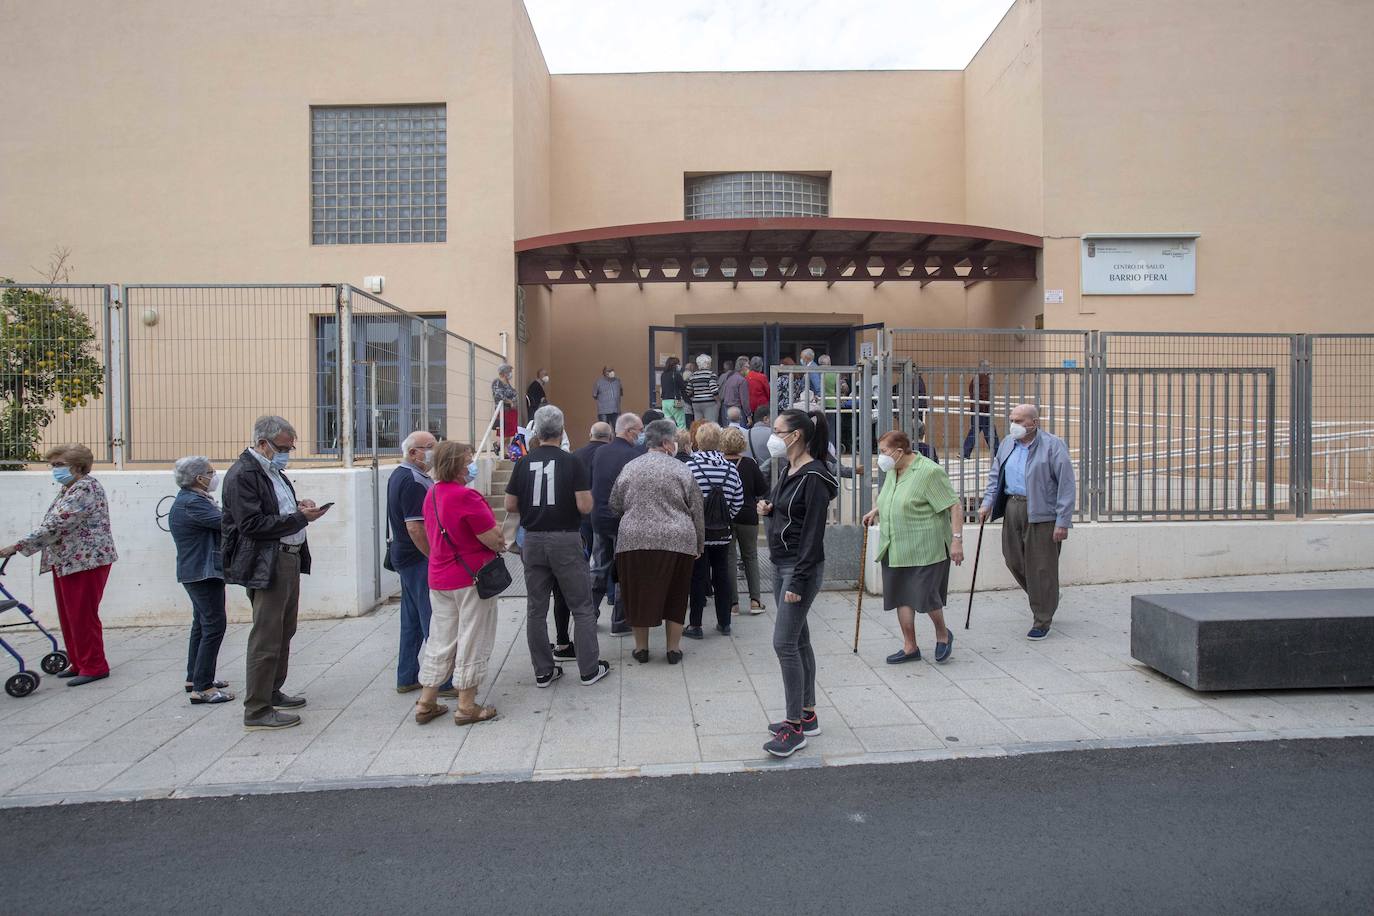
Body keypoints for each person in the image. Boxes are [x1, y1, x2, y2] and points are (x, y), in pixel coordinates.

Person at [222, 416, 330, 730]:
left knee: (284, 630)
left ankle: (272, 690)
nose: (287, 453)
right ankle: (256, 708)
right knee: (266, 636)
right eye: (283, 447)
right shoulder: (244, 474)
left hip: (287, 558)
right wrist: (299, 518)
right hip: (267, 561)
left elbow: (273, 510)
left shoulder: (272, 471)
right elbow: (252, 525)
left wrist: (298, 507)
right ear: (262, 443)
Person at [506, 405, 610, 687]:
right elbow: (585, 506)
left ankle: (543, 670)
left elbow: (510, 504)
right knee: (581, 605)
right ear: (562, 430)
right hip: (565, 537)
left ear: (537, 432)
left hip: (533, 539)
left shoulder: (523, 463)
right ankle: (589, 669)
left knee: (536, 608)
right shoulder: (571, 460)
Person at [1, 444, 118, 687]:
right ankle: (79, 662)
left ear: (77, 466)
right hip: (68, 560)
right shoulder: (70, 488)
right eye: (53, 465)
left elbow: (58, 523)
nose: (54, 470)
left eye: (58, 465)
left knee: (82, 615)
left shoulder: (85, 487)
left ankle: (94, 665)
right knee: (70, 615)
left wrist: (19, 546)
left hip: (85, 560)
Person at [758, 409, 838, 758]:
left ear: (796, 436)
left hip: (798, 568)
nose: (772, 435)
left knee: (784, 644)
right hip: (782, 564)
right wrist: (769, 508)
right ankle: (808, 714)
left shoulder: (815, 476)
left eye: (778, 430)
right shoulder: (790, 470)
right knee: (799, 640)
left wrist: (799, 581)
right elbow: (790, 512)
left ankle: (794, 728)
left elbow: (812, 533)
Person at [413, 441, 504, 726]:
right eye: (467, 460)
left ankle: (426, 701)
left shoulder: (432, 495)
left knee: (441, 638)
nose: (471, 464)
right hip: (471, 578)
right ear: (457, 465)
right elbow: (493, 538)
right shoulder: (466, 497)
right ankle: (466, 705)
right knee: (472, 637)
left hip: (439, 576)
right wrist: (499, 538)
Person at [862, 430, 964, 665]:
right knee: (901, 597)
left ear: (899, 451)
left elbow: (954, 506)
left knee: (925, 596)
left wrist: (957, 540)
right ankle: (910, 646)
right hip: (895, 544)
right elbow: (893, 496)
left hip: (926, 546)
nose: (881, 456)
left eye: (884, 451)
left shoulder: (929, 471)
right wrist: (876, 510)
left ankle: (943, 634)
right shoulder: (893, 470)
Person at [609, 419, 703, 664]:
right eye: (673, 440)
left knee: (638, 592)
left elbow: (614, 504)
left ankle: (641, 648)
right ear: (666, 443)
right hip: (678, 539)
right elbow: (697, 509)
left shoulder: (630, 468)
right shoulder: (682, 469)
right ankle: (673, 649)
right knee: (677, 593)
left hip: (634, 539)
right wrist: (699, 545)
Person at [979, 403, 1076, 640]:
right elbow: (996, 475)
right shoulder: (1007, 444)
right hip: (1013, 506)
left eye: (1020, 421)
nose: (1014, 425)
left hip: (1042, 511)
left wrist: (1062, 521)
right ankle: (1047, 595)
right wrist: (987, 502)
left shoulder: (1053, 446)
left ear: (1034, 423)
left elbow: (1066, 485)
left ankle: (1042, 619)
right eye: (1012, 419)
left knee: (1042, 566)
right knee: (1013, 559)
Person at [388, 430, 455, 698]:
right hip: (417, 558)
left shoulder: (402, 475)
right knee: (434, 620)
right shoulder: (413, 481)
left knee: (412, 619)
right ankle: (445, 681)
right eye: (429, 447)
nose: (434, 452)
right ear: (413, 452)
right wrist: (434, 556)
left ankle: (406, 675)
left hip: (405, 557)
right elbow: (416, 527)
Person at [169, 456, 232, 704]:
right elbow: (226, 523)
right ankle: (203, 688)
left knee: (201, 624)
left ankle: (195, 677)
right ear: (198, 478)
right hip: (202, 572)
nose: (213, 475)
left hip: (197, 571)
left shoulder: (193, 500)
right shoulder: (193, 503)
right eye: (210, 472)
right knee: (214, 625)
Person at [685, 423, 744, 639]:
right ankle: (724, 622)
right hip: (723, 532)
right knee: (723, 576)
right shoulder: (730, 468)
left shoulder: (690, 468)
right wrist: (725, 516)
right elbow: (738, 501)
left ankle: (695, 625)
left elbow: (683, 500)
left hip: (697, 533)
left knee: (697, 578)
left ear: (697, 442)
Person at [590, 413, 645, 636]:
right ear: (630, 431)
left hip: (599, 518)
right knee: (625, 569)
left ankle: (589, 614)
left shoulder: (600, 451)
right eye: (639, 431)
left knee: (599, 567)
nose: (641, 435)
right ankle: (620, 621)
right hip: (623, 520)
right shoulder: (634, 455)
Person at [721, 427, 767, 616]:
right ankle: (755, 601)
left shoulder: (719, 463)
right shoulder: (749, 463)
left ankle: (733, 604)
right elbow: (761, 488)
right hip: (748, 515)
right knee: (751, 557)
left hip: (726, 517)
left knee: (730, 558)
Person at [573, 422, 612, 558]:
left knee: (583, 554)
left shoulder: (577, 455)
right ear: (610, 437)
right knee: (605, 558)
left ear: (590, 435)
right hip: (607, 512)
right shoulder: (612, 455)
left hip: (583, 514)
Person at [962, 359, 999, 458]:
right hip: (983, 410)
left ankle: (965, 452)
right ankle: (997, 452)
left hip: (976, 409)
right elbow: (984, 395)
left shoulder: (976, 379)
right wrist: (987, 405)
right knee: (989, 431)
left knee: (975, 430)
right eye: (988, 367)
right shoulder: (984, 379)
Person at [492, 363, 520, 450]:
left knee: (510, 433)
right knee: (504, 432)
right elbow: (498, 395)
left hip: (512, 411)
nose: (510, 373)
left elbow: (514, 394)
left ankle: (505, 451)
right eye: (509, 371)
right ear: (504, 372)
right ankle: (498, 445)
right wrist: (510, 401)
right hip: (503, 411)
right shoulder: (497, 382)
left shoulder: (508, 383)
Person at [685, 354, 719, 424]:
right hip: (709, 403)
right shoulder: (711, 374)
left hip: (696, 403)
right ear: (708, 364)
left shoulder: (693, 375)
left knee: (698, 425)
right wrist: (718, 401)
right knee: (710, 425)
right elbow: (714, 389)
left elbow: (688, 391)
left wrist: (694, 398)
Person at [660, 356, 687, 428]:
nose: (680, 366)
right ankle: (682, 439)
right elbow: (683, 388)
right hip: (675, 401)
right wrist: (688, 401)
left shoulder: (663, 375)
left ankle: (670, 438)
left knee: (669, 425)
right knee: (681, 424)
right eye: (678, 364)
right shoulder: (677, 374)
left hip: (665, 402)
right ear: (675, 365)